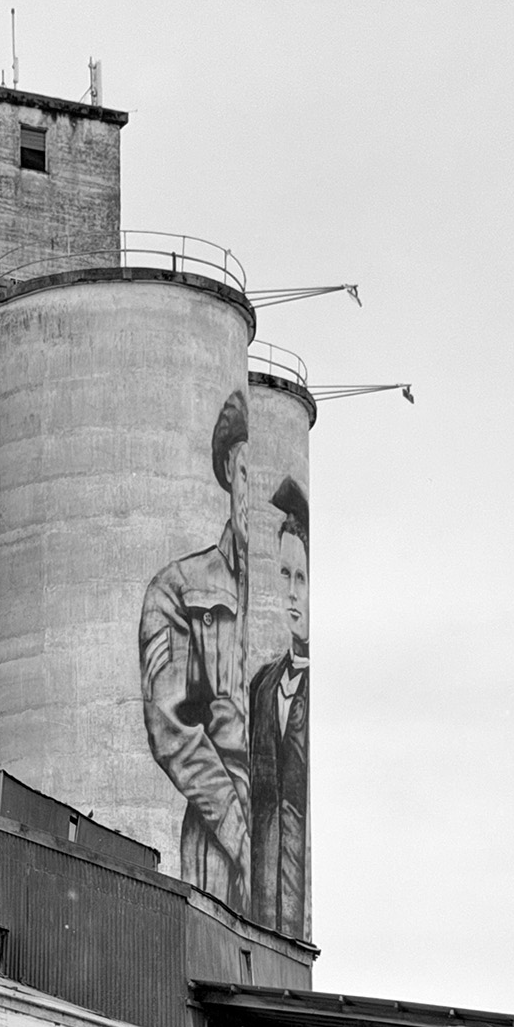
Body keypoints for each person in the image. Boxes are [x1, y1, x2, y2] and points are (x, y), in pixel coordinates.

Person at [139, 390, 254, 912]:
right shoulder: (180, 586)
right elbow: (172, 727)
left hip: (270, 827)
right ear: (229, 476)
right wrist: (235, 827)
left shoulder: (279, 586)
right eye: (245, 475)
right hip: (218, 821)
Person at [247, 476, 309, 936]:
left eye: (302, 578)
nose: (291, 591)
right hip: (260, 903)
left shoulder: (312, 687)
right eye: (285, 574)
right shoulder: (263, 685)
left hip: (297, 909)